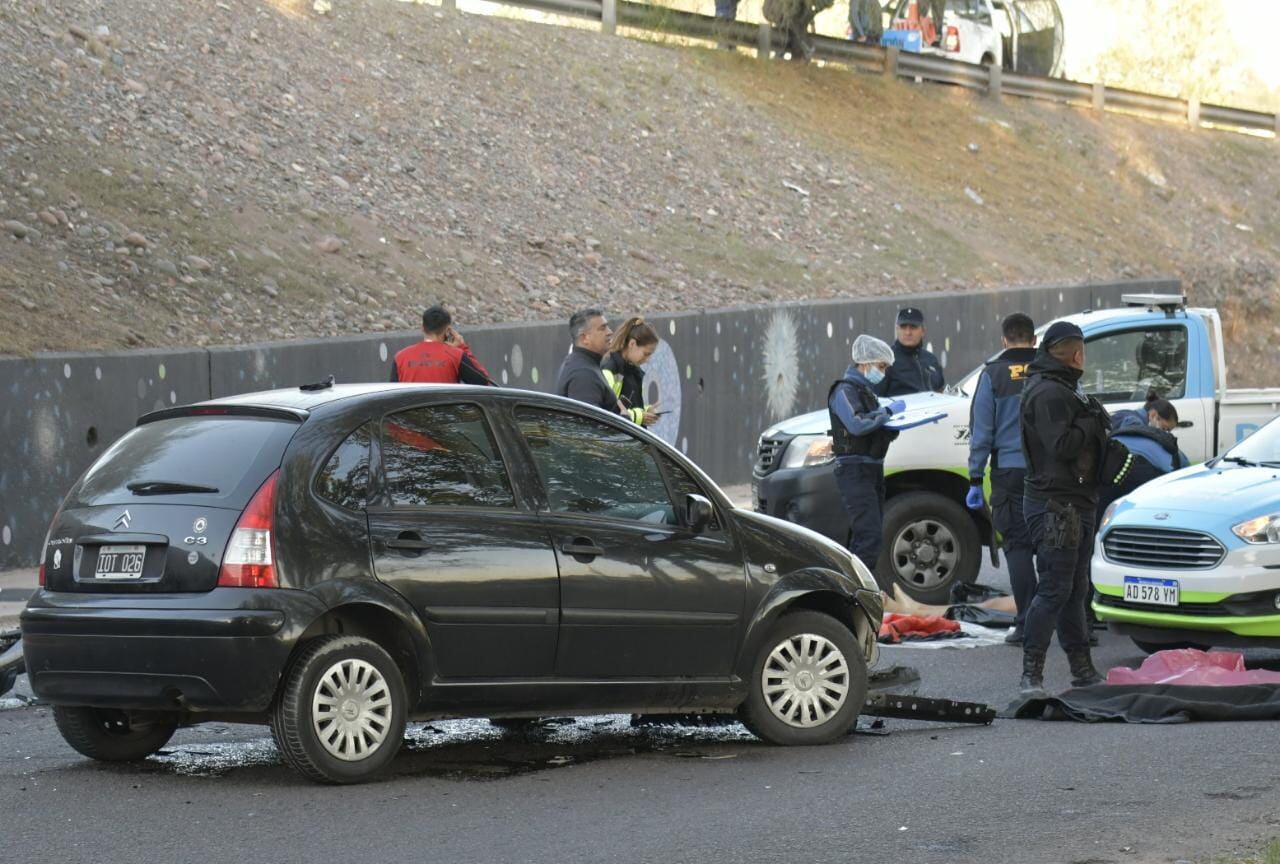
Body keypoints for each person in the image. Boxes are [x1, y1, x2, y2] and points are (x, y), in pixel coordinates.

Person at [1018, 321, 1135, 695]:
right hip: (1055, 506)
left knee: (1075, 588)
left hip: (1077, 502)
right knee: (1054, 588)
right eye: (1081, 350)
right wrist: (1091, 422)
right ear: (1073, 353)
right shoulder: (1049, 392)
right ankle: (1030, 677)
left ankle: (1082, 670)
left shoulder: (1067, 388)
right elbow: (1062, 447)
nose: (1084, 357)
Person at [966, 312, 1038, 645]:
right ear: (1034, 340)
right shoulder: (1054, 371)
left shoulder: (993, 375)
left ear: (1004, 341)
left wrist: (975, 478)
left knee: (1018, 548)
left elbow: (982, 432)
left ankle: (1027, 625)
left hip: (1010, 474)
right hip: (1053, 475)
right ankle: (1068, 625)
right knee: (1056, 550)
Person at [829, 335, 907, 568]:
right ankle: (857, 594)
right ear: (865, 363)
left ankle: (854, 592)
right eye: (881, 366)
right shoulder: (843, 390)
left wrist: (892, 426)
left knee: (868, 537)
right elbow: (857, 424)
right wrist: (888, 414)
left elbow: (875, 426)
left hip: (872, 468)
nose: (882, 372)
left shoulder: (867, 393)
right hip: (855, 470)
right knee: (868, 539)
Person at [391, 304, 493, 385]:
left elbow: (392, 393)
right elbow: (483, 382)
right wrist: (463, 347)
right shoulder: (456, 355)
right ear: (448, 330)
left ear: (422, 327)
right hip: (446, 411)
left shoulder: (400, 357)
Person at [556, 308, 624, 415]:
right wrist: (624, 420)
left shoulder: (582, 364)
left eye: (608, 326)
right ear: (584, 338)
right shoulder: (583, 373)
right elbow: (588, 425)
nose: (609, 332)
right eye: (602, 328)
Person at [601, 317, 662, 427]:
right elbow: (605, 412)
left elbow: (628, 405)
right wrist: (639, 417)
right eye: (646, 354)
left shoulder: (634, 371)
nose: (647, 360)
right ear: (632, 344)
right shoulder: (610, 370)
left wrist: (647, 410)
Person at [873, 307, 945, 397]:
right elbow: (875, 399)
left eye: (913, 327)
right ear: (897, 329)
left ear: (923, 331)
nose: (908, 332)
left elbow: (942, 393)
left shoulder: (931, 360)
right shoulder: (886, 360)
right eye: (903, 327)